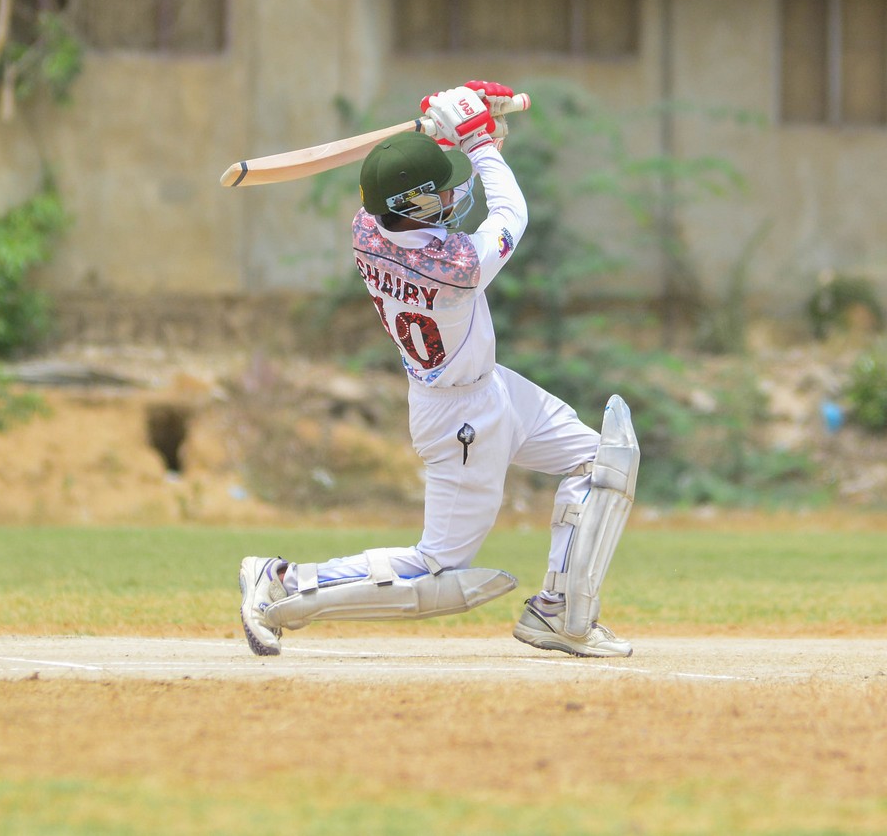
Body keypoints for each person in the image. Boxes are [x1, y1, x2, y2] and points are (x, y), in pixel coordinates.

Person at [239, 81, 639, 658]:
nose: (454, 193)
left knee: (601, 461)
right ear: (415, 204)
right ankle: (282, 581)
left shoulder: (368, 228)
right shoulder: (453, 267)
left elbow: (430, 190)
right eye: (440, 189)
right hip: (460, 420)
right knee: (437, 568)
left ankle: (560, 614)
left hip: (488, 387)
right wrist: (478, 141)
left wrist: (463, 135)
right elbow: (511, 213)